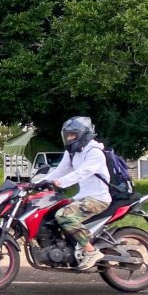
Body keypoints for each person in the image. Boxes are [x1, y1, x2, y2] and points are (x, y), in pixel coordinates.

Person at [39, 116, 111, 271]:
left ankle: (91, 251)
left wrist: (61, 182)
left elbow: (82, 173)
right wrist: (38, 183)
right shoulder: (72, 152)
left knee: (64, 215)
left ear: (83, 134)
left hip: (98, 198)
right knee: (50, 212)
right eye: (68, 135)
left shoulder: (95, 152)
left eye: (72, 135)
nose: (69, 138)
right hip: (82, 196)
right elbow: (59, 171)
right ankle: (67, 247)